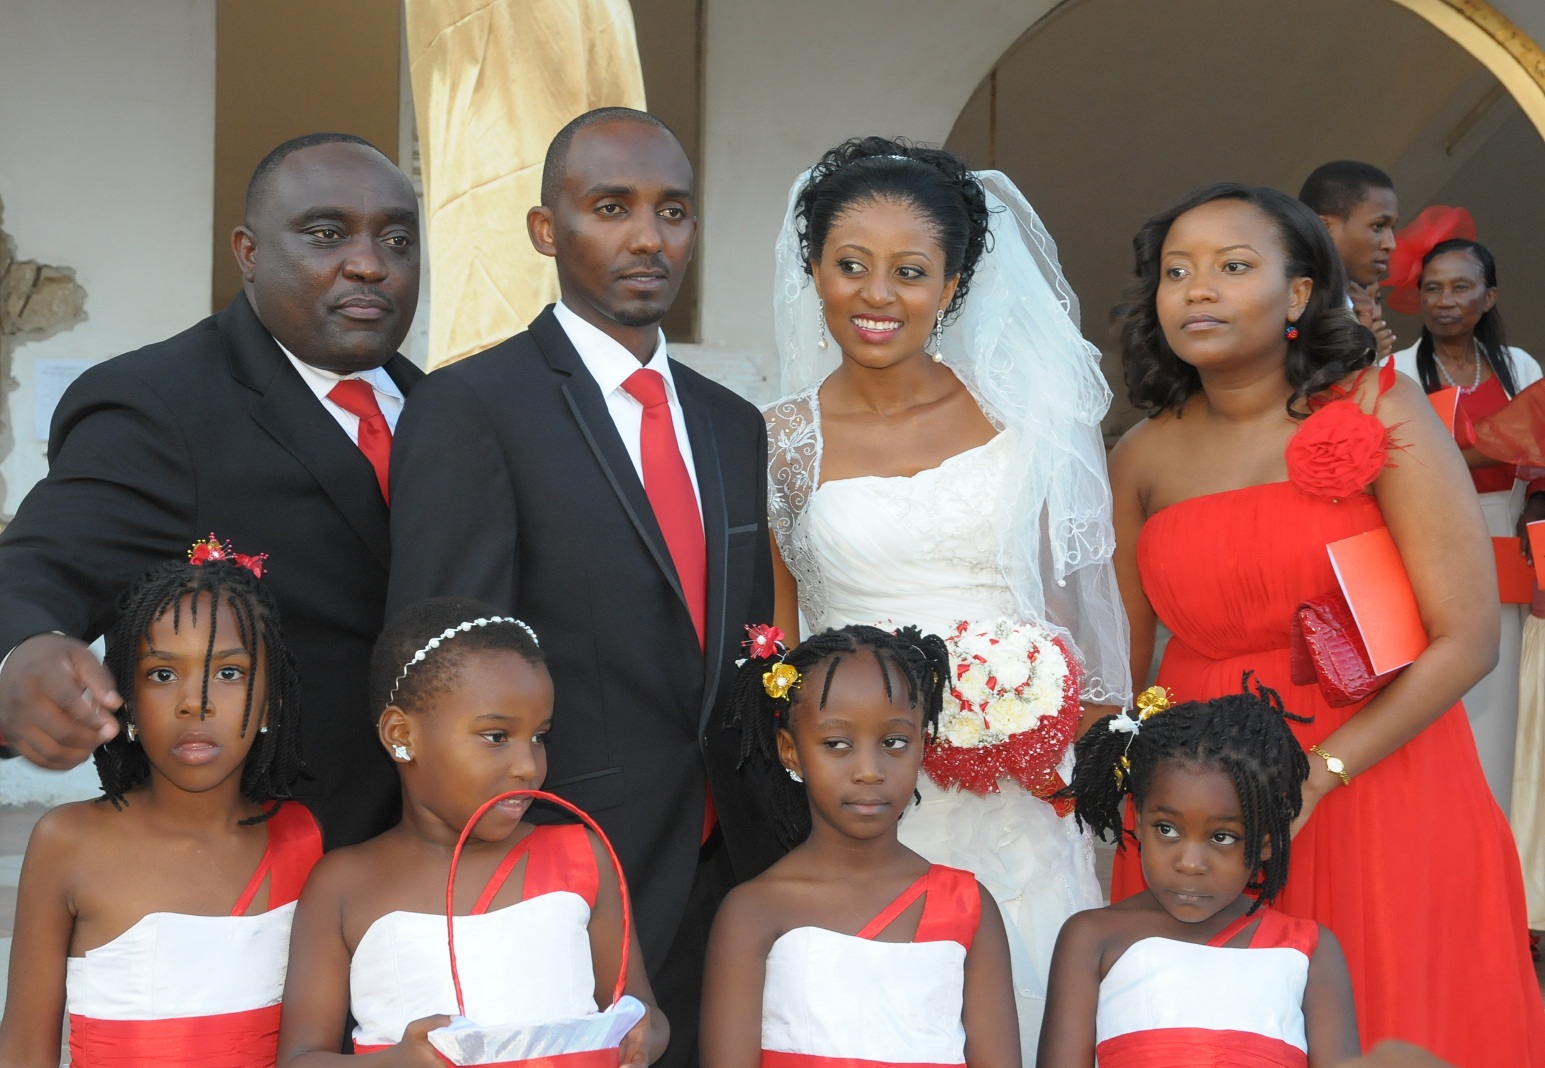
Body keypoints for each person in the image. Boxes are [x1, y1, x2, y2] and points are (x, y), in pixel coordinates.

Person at [1108, 181, 1545, 1061]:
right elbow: (1119, 666)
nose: (1197, 289)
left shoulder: (1378, 407)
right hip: (1201, 796)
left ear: (1299, 292)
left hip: (1374, 770)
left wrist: (1317, 776)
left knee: (1387, 1010)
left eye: (1233, 267)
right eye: (1176, 272)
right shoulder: (1139, 454)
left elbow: (1467, 638)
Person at [386, 107, 778, 1067]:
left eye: (672, 211)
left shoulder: (732, 423)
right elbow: (444, 669)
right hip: (556, 862)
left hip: (730, 862)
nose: (648, 237)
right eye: (612, 208)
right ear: (545, 229)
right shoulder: (471, 406)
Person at [764, 136, 1129, 1057]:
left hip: (1014, 794)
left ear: (952, 285)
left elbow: (1078, 626)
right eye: (850, 265)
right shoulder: (777, 444)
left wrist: (1046, 736)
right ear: (814, 272)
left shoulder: (1024, 422)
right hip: (860, 790)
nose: (876, 295)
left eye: (910, 272)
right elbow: (778, 644)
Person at [0, 132, 424, 849]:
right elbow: (37, 568)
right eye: (326, 234)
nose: (369, 263)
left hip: (441, 859)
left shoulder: (448, 410)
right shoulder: (160, 406)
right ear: (249, 252)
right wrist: (19, 657)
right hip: (256, 863)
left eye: (397, 240)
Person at [277, 598, 665, 1067]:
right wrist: (396, 1062)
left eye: (539, 737)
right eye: (496, 737)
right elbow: (300, 1059)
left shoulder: (583, 858)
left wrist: (642, 1039)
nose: (527, 766)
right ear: (401, 735)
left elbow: (643, 1012)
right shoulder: (343, 884)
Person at [0, 540, 322, 1068]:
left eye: (229, 672)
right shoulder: (69, 843)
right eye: (163, 674)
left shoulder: (302, 837)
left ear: (272, 704)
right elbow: (23, 1052)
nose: (195, 702)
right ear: (126, 701)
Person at [701, 624, 1019, 1068]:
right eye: (836, 744)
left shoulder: (968, 907)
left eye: (894, 742)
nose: (869, 770)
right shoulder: (754, 911)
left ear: (922, 747)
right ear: (790, 751)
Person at [1039, 680, 1359, 1068]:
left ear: (1266, 842)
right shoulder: (1092, 937)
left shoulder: (1309, 951)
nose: (1190, 863)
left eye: (1222, 837)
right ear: (1138, 821)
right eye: (1167, 829)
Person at [1389, 234, 1543, 812]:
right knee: (1448, 677)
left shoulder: (1519, 365)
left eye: (1460, 287)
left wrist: (1537, 502)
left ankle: (1501, 815)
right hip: (1430, 541)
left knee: (1505, 686)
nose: (1445, 301)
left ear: (1489, 296)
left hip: (1511, 537)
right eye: (1432, 288)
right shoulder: (1397, 369)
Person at [1298, 161, 1398, 358]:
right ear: (1325, 227)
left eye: (1392, 228)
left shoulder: (1347, 304)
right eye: (1378, 226)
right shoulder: (1290, 303)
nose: (1390, 244)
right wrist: (1364, 357)